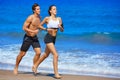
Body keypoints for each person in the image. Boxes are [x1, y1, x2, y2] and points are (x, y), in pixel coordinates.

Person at [13, 3, 47, 75]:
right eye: (38, 9)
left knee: (38, 53)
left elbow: (38, 26)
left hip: (34, 38)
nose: (39, 10)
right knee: (22, 54)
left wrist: (44, 29)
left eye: (39, 9)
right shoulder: (30, 17)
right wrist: (33, 31)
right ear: (34, 10)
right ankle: (16, 67)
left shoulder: (39, 17)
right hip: (28, 38)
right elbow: (24, 28)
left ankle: (34, 67)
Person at [32, 5, 64, 79]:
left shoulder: (59, 19)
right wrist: (46, 29)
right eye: (54, 9)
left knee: (46, 55)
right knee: (56, 55)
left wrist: (60, 27)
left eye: (56, 9)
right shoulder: (47, 18)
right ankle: (56, 74)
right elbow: (39, 26)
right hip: (48, 38)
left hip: (53, 39)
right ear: (50, 11)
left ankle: (35, 65)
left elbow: (62, 30)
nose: (55, 10)